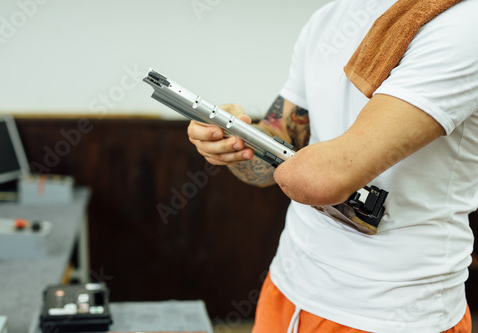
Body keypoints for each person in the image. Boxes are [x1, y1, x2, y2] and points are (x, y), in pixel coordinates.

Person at [187, 0, 478, 332]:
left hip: (390, 312)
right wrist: (233, 139)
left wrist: (296, 164)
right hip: (288, 285)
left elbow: (321, 179)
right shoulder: (329, 19)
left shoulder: (464, 24)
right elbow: (278, 142)